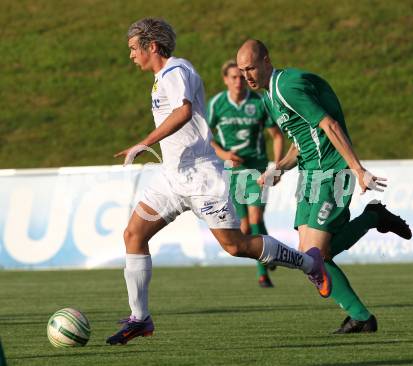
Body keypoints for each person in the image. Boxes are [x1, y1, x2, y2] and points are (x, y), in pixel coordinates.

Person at [107, 18, 331, 345]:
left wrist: (144, 142)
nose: (130, 56)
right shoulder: (159, 79)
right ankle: (140, 319)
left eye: (132, 49)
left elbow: (183, 112)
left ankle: (310, 262)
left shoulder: (176, 71)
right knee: (133, 234)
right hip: (173, 176)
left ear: (151, 46)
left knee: (235, 245)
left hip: (201, 178)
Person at [236, 39, 412, 334]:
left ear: (267, 61)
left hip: (332, 171)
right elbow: (300, 142)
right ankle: (361, 312)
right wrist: (278, 168)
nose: (247, 76)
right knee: (309, 260)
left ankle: (362, 314)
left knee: (314, 255)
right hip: (310, 176)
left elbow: (329, 124)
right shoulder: (268, 97)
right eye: (242, 71)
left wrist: (357, 169)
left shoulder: (285, 86)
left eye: (251, 67)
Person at [207, 60, 284, 288]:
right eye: (233, 77)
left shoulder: (259, 102)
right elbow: (204, 137)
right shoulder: (217, 104)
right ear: (225, 80)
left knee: (256, 219)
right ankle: (271, 252)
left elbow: (277, 135)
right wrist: (223, 153)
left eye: (241, 77)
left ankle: (263, 274)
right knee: (243, 228)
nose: (238, 81)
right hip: (231, 172)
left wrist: (276, 166)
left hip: (256, 170)